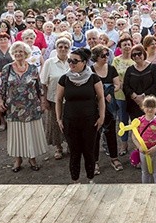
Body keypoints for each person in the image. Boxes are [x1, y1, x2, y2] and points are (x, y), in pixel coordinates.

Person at [0, 41, 47, 173]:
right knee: (16, 134)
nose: (18, 54)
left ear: (26, 54)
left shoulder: (33, 68)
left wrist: (42, 102)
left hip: (31, 106)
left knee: (31, 133)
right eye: (16, 52)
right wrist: (0, 101)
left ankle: (32, 158)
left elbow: (39, 87)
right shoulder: (7, 68)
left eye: (21, 52)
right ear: (13, 53)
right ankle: (17, 160)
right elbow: (0, 87)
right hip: (14, 108)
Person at [56, 47, 105, 184]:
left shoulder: (93, 78)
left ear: (84, 62)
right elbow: (58, 99)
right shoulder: (64, 79)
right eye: (70, 60)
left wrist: (102, 116)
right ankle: (75, 180)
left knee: (89, 151)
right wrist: (59, 118)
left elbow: (101, 98)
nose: (71, 63)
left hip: (90, 121)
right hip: (70, 121)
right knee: (74, 152)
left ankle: (90, 179)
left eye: (75, 61)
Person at [90, 44, 123, 173]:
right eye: (103, 55)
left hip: (110, 106)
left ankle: (114, 158)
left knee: (111, 133)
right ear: (96, 57)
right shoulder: (90, 70)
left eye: (107, 55)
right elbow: (90, 87)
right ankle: (95, 162)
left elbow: (117, 84)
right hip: (95, 107)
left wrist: (110, 91)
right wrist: (103, 94)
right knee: (95, 134)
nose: (106, 57)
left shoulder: (111, 68)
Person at [40, 37, 70, 160]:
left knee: (70, 123)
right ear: (56, 48)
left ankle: (70, 144)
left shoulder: (73, 61)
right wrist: (44, 99)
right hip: (53, 98)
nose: (63, 49)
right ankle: (58, 147)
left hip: (70, 99)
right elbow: (43, 82)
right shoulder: (49, 62)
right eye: (60, 47)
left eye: (66, 47)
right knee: (55, 124)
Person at [133, 96, 156, 184]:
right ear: (143, 107)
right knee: (145, 173)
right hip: (143, 151)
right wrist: (139, 147)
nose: (149, 109)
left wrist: (155, 148)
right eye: (147, 107)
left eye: (152, 107)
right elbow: (134, 136)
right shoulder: (138, 121)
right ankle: (145, 192)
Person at [123, 44, 156, 120]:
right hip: (134, 104)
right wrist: (135, 97)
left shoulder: (153, 68)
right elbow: (126, 86)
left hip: (150, 104)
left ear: (144, 53)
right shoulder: (129, 70)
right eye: (134, 54)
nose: (137, 56)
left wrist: (143, 96)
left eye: (139, 53)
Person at [112, 34, 135, 156]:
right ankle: (124, 143)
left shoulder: (135, 59)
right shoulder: (116, 60)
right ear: (120, 47)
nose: (126, 47)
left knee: (136, 120)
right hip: (120, 95)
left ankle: (137, 143)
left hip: (133, 95)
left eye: (128, 44)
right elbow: (113, 75)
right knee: (123, 120)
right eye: (124, 45)